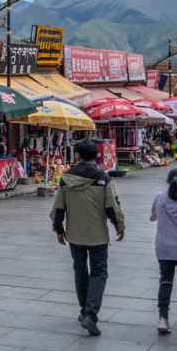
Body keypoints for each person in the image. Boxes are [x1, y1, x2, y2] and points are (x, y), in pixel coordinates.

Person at [51, 139, 126, 336]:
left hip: (74, 235)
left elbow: (58, 208)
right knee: (99, 273)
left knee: (80, 271)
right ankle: (91, 314)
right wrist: (120, 225)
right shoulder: (103, 178)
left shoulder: (66, 179)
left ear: (77, 156)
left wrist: (59, 229)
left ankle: (84, 310)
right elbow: (112, 206)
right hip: (98, 236)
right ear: (96, 156)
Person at [152, 167, 177, 334]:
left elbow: (153, 217)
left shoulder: (159, 198)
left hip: (163, 247)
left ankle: (163, 318)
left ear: (168, 181)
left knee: (165, 281)